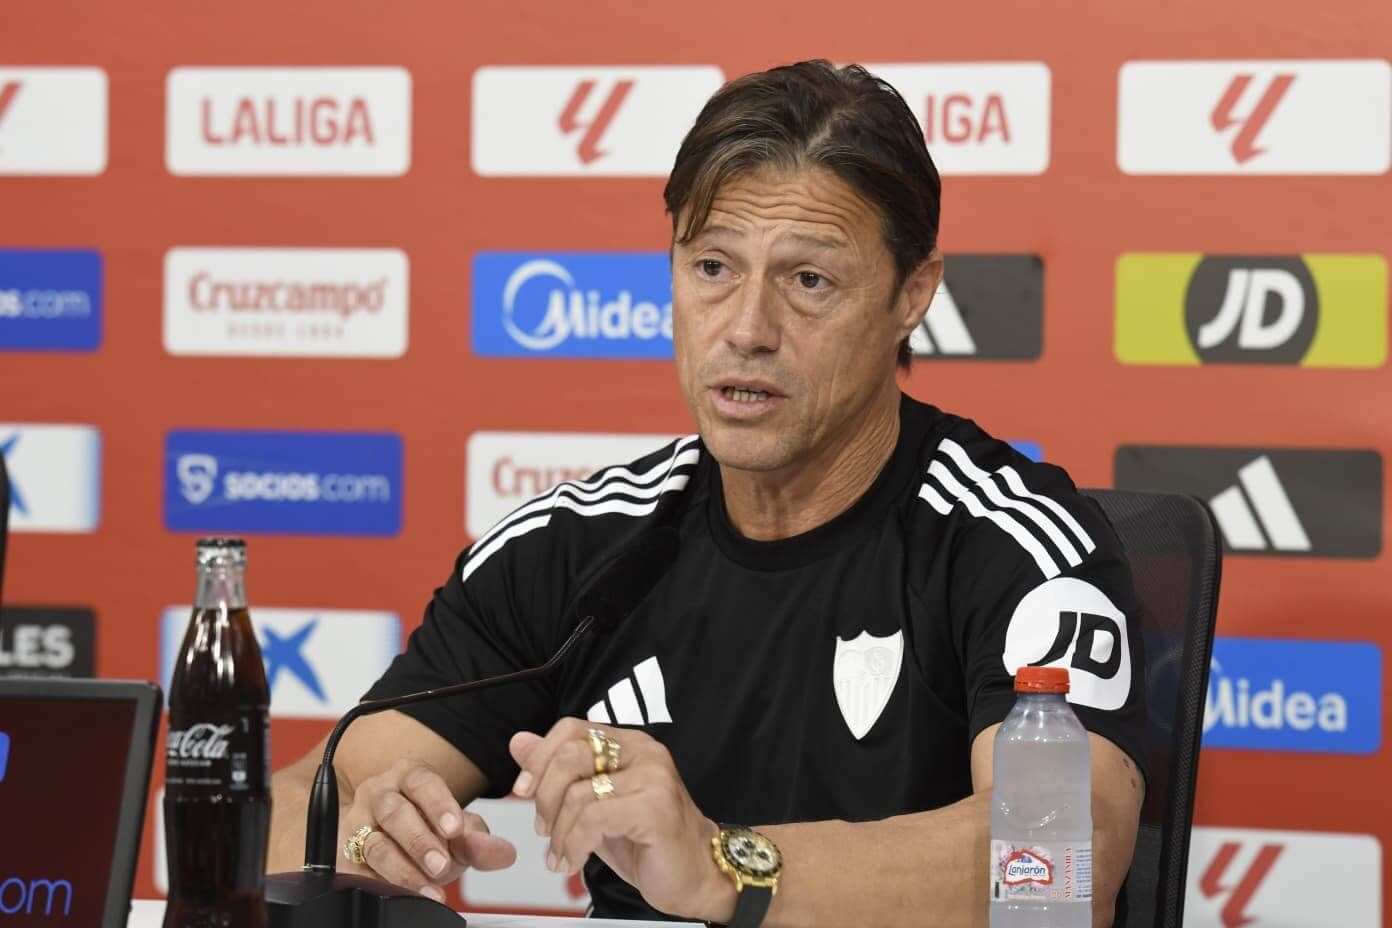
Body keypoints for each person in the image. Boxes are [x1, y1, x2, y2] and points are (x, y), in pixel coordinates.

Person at [269, 59, 1146, 927]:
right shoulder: (583, 549)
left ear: (911, 294)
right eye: (714, 268)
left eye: (809, 281)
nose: (748, 330)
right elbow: (301, 802)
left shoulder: (1013, 544)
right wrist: (361, 837)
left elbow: (1067, 857)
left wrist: (726, 865)